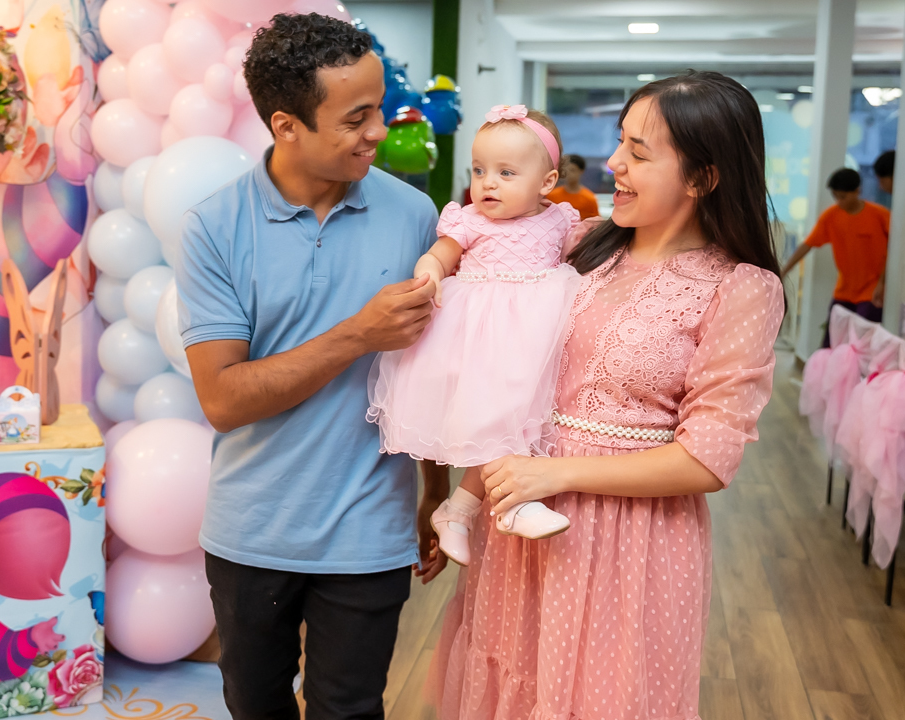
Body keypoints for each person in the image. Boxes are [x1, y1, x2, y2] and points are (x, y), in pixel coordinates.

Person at [430, 71, 785, 719]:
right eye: (621, 142)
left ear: (703, 177)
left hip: (630, 543)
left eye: (639, 153)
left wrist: (555, 474)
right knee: (512, 687)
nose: (614, 162)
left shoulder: (740, 288)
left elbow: (708, 459)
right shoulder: (576, 245)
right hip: (521, 523)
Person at [176, 13, 450, 719]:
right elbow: (224, 399)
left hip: (371, 528)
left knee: (350, 709)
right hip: (251, 531)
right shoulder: (214, 227)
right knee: (254, 705)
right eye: (356, 118)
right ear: (286, 125)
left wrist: (435, 491)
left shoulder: (416, 216)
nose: (379, 131)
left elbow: (431, 373)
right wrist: (357, 334)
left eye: (379, 108)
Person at [368, 105, 582, 567]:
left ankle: (460, 510)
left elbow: (585, 257)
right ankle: (510, 504)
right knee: (498, 421)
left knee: (519, 423)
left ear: (546, 182)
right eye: (479, 170)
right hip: (479, 338)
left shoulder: (560, 220)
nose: (488, 183)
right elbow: (439, 256)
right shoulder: (468, 220)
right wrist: (430, 273)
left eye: (506, 173)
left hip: (533, 339)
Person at [780, 167, 890, 346]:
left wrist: (882, 284)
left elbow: (893, 253)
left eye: (843, 197)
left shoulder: (880, 215)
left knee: (861, 344)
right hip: (843, 291)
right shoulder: (831, 216)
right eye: (835, 196)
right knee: (830, 343)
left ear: (857, 191)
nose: (839, 201)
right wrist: (783, 270)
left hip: (871, 292)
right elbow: (808, 244)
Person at [546, 153, 600, 220]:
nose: (569, 174)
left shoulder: (589, 199)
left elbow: (596, 222)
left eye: (572, 170)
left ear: (581, 171)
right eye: (566, 171)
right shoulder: (552, 196)